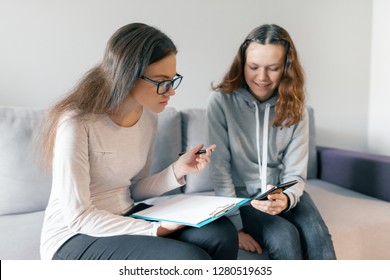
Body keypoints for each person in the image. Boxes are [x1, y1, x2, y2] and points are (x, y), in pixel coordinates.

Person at [38, 23, 238, 260]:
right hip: (72, 235)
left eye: (173, 80)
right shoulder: (76, 123)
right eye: (162, 81)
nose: (171, 91)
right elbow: (79, 216)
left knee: (222, 233)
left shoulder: (148, 119)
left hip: (125, 213)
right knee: (187, 259)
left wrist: (177, 170)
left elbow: (134, 188)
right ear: (128, 75)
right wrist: (156, 229)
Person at [207, 24, 336, 259]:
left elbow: (296, 174)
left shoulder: (296, 108)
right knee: (284, 237)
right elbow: (220, 170)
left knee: (319, 237)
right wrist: (235, 227)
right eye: (253, 67)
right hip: (243, 198)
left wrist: (285, 199)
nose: (262, 77)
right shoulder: (220, 102)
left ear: (286, 68)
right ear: (242, 63)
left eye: (273, 68)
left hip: (282, 191)